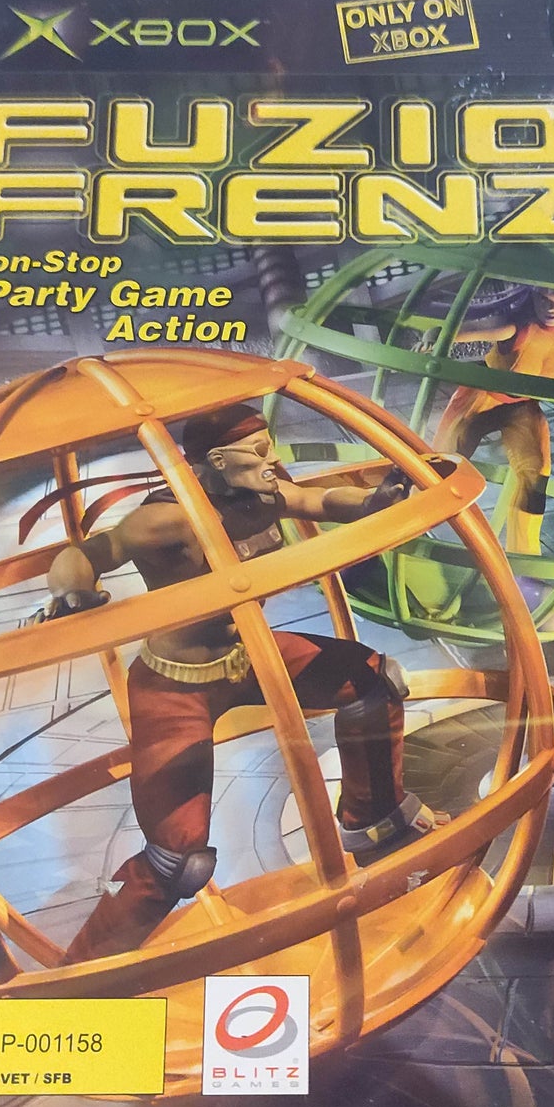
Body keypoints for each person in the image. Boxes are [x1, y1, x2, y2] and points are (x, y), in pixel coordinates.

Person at [40, 402, 444, 962]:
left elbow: (320, 501)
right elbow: (86, 553)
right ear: (216, 461)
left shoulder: (260, 494)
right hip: (175, 685)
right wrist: (72, 593)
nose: (272, 461)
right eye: (258, 453)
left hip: (247, 655)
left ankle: (377, 826)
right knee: (178, 860)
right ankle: (85, 974)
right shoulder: (164, 521)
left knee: (374, 682)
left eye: (269, 447)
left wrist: (379, 500)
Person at [419, 285, 554, 558]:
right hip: (482, 397)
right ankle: (407, 527)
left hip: (522, 407)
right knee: (442, 465)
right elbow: (457, 331)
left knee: (536, 475)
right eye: (544, 299)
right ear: (533, 296)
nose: (551, 308)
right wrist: (433, 336)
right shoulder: (515, 328)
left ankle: (525, 557)